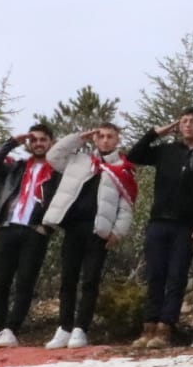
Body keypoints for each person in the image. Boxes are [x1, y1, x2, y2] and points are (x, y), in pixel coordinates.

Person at [42, 123, 139, 350]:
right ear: (95, 139)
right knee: (68, 279)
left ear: (117, 139)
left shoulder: (123, 168)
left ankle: (80, 328)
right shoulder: (79, 160)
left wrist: (118, 231)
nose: (105, 140)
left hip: (98, 231)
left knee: (90, 280)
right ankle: (64, 327)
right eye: (101, 136)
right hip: (73, 227)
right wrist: (78, 138)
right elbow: (53, 156)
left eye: (110, 136)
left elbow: (127, 205)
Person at [128, 108, 193, 349]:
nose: (188, 125)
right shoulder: (167, 151)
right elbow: (135, 155)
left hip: (186, 226)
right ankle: (148, 326)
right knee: (155, 275)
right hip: (159, 222)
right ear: (178, 125)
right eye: (184, 121)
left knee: (176, 277)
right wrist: (155, 133)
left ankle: (165, 328)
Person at [0, 123, 59, 349]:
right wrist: (13, 142)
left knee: (25, 281)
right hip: (9, 226)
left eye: (43, 140)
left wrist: (48, 227)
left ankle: (11, 329)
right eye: (33, 140)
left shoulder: (57, 171)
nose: (38, 144)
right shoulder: (18, 166)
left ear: (51, 142)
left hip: (35, 230)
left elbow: (61, 201)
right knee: (0, 281)